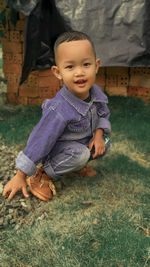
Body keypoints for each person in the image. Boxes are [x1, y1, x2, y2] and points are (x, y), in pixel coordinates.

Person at [3, 31, 111, 201]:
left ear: (96, 66)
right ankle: (43, 175)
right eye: (70, 67)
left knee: (105, 142)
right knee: (81, 154)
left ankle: (75, 165)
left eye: (86, 64)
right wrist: (20, 174)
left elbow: (104, 113)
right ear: (57, 72)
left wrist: (98, 136)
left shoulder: (95, 93)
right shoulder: (59, 109)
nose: (79, 72)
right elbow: (40, 139)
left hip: (79, 144)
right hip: (57, 150)